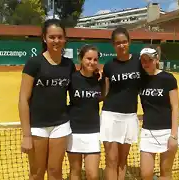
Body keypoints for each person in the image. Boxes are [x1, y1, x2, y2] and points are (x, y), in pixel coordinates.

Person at [18, 19, 75, 180]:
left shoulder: (68, 65)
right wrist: (26, 135)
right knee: (37, 173)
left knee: (55, 171)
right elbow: (23, 99)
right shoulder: (34, 63)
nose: (56, 41)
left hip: (61, 125)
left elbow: (76, 92)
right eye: (52, 37)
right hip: (37, 127)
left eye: (60, 37)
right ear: (44, 38)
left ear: (64, 39)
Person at [100, 27, 142, 180]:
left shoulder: (139, 61)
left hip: (130, 116)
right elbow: (104, 92)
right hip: (110, 115)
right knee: (111, 160)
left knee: (122, 161)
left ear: (129, 42)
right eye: (118, 43)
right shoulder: (109, 65)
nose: (122, 45)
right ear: (113, 45)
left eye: (124, 42)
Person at [139, 46, 179, 180]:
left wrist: (173, 136)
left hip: (167, 131)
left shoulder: (168, 78)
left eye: (149, 60)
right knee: (145, 174)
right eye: (143, 60)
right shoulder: (140, 79)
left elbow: (175, 107)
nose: (146, 63)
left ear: (156, 60)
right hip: (148, 131)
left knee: (166, 172)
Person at [67, 44, 104, 180]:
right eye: (88, 58)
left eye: (95, 59)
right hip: (74, 130)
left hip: (93, 130)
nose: (92, 62)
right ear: (81, 59)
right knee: (75, 172)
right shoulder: (72, 78)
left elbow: (102, 97)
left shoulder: (99, 80)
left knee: (92, 175)